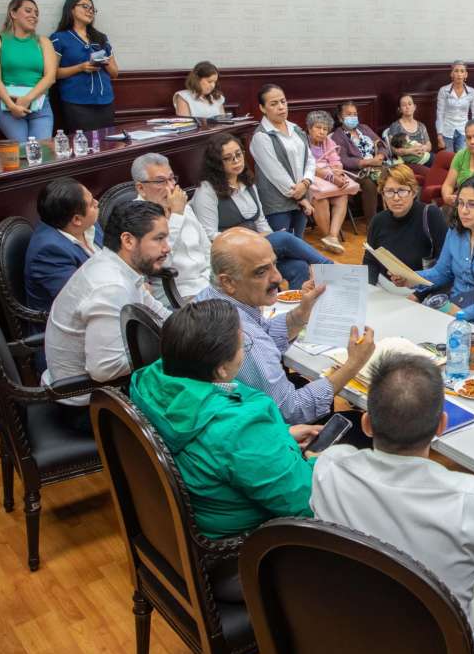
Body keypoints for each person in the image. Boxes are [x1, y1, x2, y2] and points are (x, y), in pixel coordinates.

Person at [310, 354, 474, 649]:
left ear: (366, 423)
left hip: (343, 632)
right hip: (440, 648)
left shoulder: (330, 466)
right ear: (441, 426)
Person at [128, 299, 322, 539]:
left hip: (195, 515)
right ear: (221, 368)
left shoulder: (151, 380)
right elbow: (307, 503)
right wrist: (319, 462)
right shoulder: (242, 427)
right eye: (242, 345)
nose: (243, 353)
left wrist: (280, 437)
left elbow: (221, 448)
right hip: (248, 539)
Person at [194, 228, 375, 424]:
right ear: (228, 282)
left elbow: (264, 334)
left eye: (275, 264)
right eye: (261, 272)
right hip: (261, 427)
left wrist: (301, 313)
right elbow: (292, 411)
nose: (278, 277)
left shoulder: (209, 297)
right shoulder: (245, 339)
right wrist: (353, 364)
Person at [43, 202, 171, 407]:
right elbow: (104, 370)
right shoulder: (111, 287)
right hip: (91, 404)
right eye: (159, 239)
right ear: (128, 240)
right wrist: (169, 347)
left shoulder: (117, 265)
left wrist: (190, 329)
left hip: (106, 389)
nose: (167, 248)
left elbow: (158, 313)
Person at [190, 133, 329, 288]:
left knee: (299, 266)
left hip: (256, 248)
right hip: (230, 253)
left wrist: (266, 238)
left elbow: (261, 222)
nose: (236, 160)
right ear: (216, 163)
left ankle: (298, 303)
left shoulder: (247, 183)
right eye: (228, 158)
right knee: (283, 238)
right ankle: (328, 265)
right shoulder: (206, 190)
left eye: (238, 154)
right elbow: (210, 236)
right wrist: (254, 238)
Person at [401, 177, 474, 324]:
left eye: (472, 205)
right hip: (453, 306)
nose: (464, 211)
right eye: (460, 203)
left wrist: (462, 314)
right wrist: (410, 277)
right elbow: (442, 272)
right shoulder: (455, 231)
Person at [131, 153, 210, 302]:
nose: (171, 187)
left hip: (208, 282)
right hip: (179, 292)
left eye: (172, 178)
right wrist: (176, 216)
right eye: (160, 181)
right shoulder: (136, 216)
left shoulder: (181, 205)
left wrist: (212, 279)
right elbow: (159, 261)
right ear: (141, 188)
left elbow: (207, 249)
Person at [0, 0, 56, 144]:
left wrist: (27, 99)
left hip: (40, 106)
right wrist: (12, 105)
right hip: (8, 106)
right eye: (28, 11)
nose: (34, 16)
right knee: (22, 150)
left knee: (41, 151)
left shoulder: (43, 42)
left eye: (36, 13)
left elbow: (50, 77)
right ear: (13, 13)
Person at [248, 84, 316, 240]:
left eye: (283, 101)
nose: (281, 107)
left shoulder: (296, 129)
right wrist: (300, 197)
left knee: (298, 240)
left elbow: (310, 159)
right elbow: (275, 173)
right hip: (278, 204)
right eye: (273, 104)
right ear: (262, 108)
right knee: (281, 246)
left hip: (302, 194)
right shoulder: (261, 136)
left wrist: (305, 182)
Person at [25, 177, 101, 312]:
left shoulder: (89, 224)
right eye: (91, 204)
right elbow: (82, 300)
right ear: (77, 219)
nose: (97, 202)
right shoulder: (49, 252)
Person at [363, 164, 447, 286]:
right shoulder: (378, 221)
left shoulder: (430, 215)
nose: (396, 198)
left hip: (422, 290)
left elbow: (444, 263)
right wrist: (368, 289)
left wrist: (412, 282)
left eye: (402, 191)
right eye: (389, 192)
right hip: (386, 289)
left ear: (413, 192)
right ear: (383, 194)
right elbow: (370, 262)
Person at [50, 0, 118, 131]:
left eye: (92, 9)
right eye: (85, 6)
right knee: (82, 142)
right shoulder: (59, 38)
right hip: (76, 102)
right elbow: (52, 74)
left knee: (106, 141)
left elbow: (115, 73)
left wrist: (105, 61)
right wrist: (80, 68)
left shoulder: (101, 38)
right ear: (71, 9)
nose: (90, 11)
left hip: (105, 100)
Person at [306, 109, 359, 254]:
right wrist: (331, 177)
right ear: (309, 128)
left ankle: (332, 237)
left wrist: (338, 172)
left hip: (330, 179)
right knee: (320, 199)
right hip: (310, 179)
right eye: (318, 127)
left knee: (342, 196)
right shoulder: (303, 143)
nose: (322, 132)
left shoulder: (328, 142)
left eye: (325, 129)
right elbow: (308, 167)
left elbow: (335, 160)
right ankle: (326, 236)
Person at [331, 101, 384, 224]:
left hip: (377, 165)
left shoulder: (364, 128)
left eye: (355, 114)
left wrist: (381, 155)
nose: (353, 117)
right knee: (369, 183)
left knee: (398, 175)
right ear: (340, 117)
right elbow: (343, 160)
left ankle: (396, 216)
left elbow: (381, 144)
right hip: (357, 172)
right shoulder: (337, 136)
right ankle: (372, 224)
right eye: (349, 114)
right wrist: (366, 162)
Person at [435, 60, 474, 152]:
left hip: (464, 130)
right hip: (447, 130)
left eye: (462, 71)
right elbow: (440, 113)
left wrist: (473, 131)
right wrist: (439, 135)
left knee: (462, 158)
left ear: (466, 75)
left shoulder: (471, 92)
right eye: (456, 71)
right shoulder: (443, 90)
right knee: (448, 158)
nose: (459, 74)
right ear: (451, 74)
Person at [384, 94, 433, 177]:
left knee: (442, 163)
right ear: (399, 109)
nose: (407, 107)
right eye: (404, 105)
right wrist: (410, 151)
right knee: (432, 172)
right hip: (407, 162)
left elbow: (429, 145)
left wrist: (424, 148)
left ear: (414, 107)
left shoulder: (421, 126)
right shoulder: (395, 126)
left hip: (424, 157)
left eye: (410, 104)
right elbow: (394, 150)